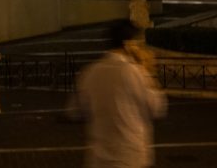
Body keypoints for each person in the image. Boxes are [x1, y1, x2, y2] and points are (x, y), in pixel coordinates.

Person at [71, 20, 167, 168]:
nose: (142, 48)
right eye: (139, 43)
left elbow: (75, 110)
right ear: (128, 44)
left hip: (99, 158)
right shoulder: (133, 71)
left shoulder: (91, 72)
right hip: (129, 157)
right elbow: (157, 107)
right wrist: (149, 71)